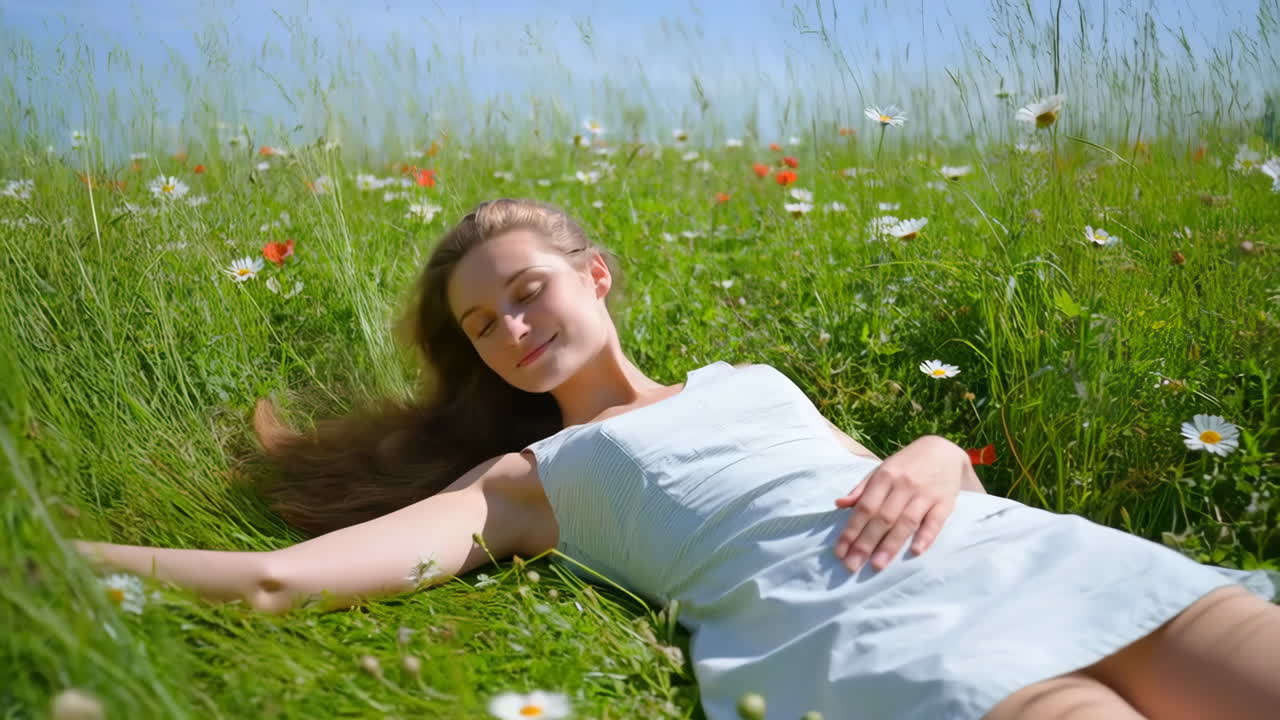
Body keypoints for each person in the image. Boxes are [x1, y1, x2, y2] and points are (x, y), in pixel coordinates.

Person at [76, 199, 1280, 720]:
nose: (512, 328)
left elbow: (899, 477)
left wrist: (928, 448)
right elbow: (282, 580)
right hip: (878, 634)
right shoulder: (523, 484)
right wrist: (52, 553)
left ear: (593, 276)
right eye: (483, 324)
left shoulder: (748, 379)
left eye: (526, 290)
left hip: (1027, 556)